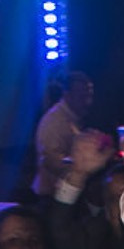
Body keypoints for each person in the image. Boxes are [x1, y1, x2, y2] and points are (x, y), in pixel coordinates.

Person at [34, 70, 96, 198]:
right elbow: (50, 160)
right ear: (67, 95)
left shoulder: (75, 118)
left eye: (89, 96)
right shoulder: (54, 121)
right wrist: (82, 163)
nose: (88, 102)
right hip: (51, 195)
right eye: (82, 97)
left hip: (67, 192)